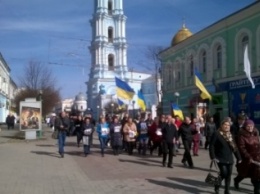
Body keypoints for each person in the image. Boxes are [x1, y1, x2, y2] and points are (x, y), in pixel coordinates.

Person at [209, 118, 241, 194]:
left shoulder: (231, 135)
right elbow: (212, 145)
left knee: (229, 175)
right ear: (222, 125)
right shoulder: (217, 134)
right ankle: (217, 185)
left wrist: (239, 158)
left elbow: (235, 147)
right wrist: (213, 156)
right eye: (225, 125)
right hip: (220, 157)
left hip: (229, 158)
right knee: (223, 173)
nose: (227, 126)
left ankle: (227, 190)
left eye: (228, 125)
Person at [234, 119, 260, 194]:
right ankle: (236, 180)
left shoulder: (255, 133)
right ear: (245, 126)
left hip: (257, 158)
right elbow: (242, 148)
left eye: (251, 126)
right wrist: (248, 157)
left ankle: (256, 190)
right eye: (248, 126)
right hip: (247, 159)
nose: (250, 127)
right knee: (243, 174)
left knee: (257, 174)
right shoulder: (242, 136)